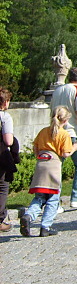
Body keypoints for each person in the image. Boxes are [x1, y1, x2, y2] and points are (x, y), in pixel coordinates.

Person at [20, 106, 75, 237]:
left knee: (39, 196)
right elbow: (65, 153)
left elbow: (35, 148)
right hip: (54, 166)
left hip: (41, 165)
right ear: (65, 120)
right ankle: (46, 226)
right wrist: (74, 147)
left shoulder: (43, 131)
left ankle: (29, 215)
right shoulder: (63, 134)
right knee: (53, 198)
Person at [50, 67, 77, 209]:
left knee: (56, 167)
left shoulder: (58, 90)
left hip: (56, 132)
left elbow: (52, 111)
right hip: (72, 133)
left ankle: (54, 203)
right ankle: (76, 197)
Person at [0, 87, 17, 232]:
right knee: (2, 187)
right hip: (0, 156)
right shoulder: (4, 117)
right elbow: (8, 140)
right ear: (5, 102)